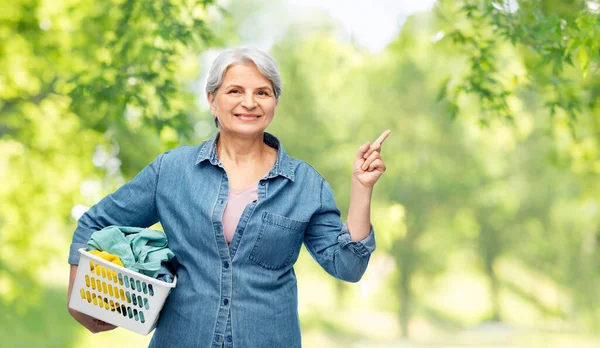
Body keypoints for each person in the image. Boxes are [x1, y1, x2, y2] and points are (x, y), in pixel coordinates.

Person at [67, 47, 390, 347]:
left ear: (274, 102)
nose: (249, 102)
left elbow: (348, 267)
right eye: (235, 91)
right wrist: (79, 300)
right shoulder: (172, 170)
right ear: (212, 100)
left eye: (262, 92)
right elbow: (97, 222)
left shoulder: (305, 184)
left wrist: (362, 189)